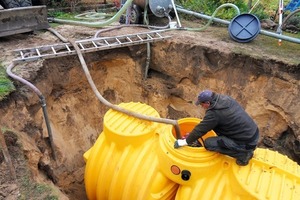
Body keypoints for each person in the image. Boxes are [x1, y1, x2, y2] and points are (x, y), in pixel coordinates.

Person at [174, 89, 259, 166]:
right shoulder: (225, 99)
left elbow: (200, 130)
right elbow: (207, 125)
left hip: (247, 143)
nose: (201, 106)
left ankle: (243, 155)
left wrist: (185, 141)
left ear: (207, 103)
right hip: (253, 133)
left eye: (201, 104)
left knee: (208, 143)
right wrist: (192, 135)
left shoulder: (214, 113)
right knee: (215, 129)